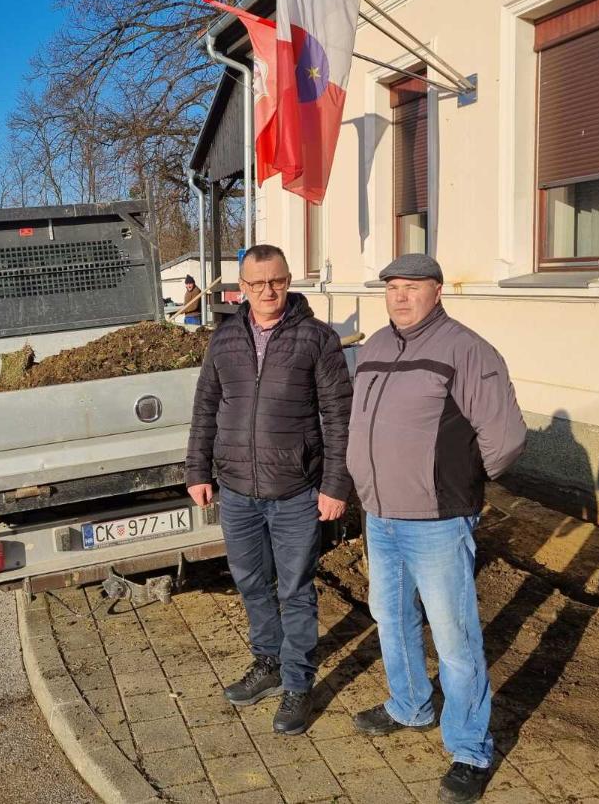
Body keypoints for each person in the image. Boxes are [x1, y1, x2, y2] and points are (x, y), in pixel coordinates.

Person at [346, 253, 526, 804]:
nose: (400, 297)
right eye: (392, 287)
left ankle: (470, 749)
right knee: (391, 617)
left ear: (438, 291)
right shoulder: (375, 346)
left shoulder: (466, 350)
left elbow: (505, 437)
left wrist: (461, 483)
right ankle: (410, 706)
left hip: (438, 521)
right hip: (380, 515)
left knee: (454, 637)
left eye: (412, 287)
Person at [185, 244, 353, 735]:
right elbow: (205, 408)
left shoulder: (316, 339)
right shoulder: (224, 340)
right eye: (257, 284)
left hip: (295, 491)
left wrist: (335, 484)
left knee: (295, 590)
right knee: (252, 583)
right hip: (237, 491)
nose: (267, 291)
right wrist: (197, 471)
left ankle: (298, 683)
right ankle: (269, 663)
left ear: (288, 279)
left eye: (276, 281)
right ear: (241, 288)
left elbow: (339, 417)